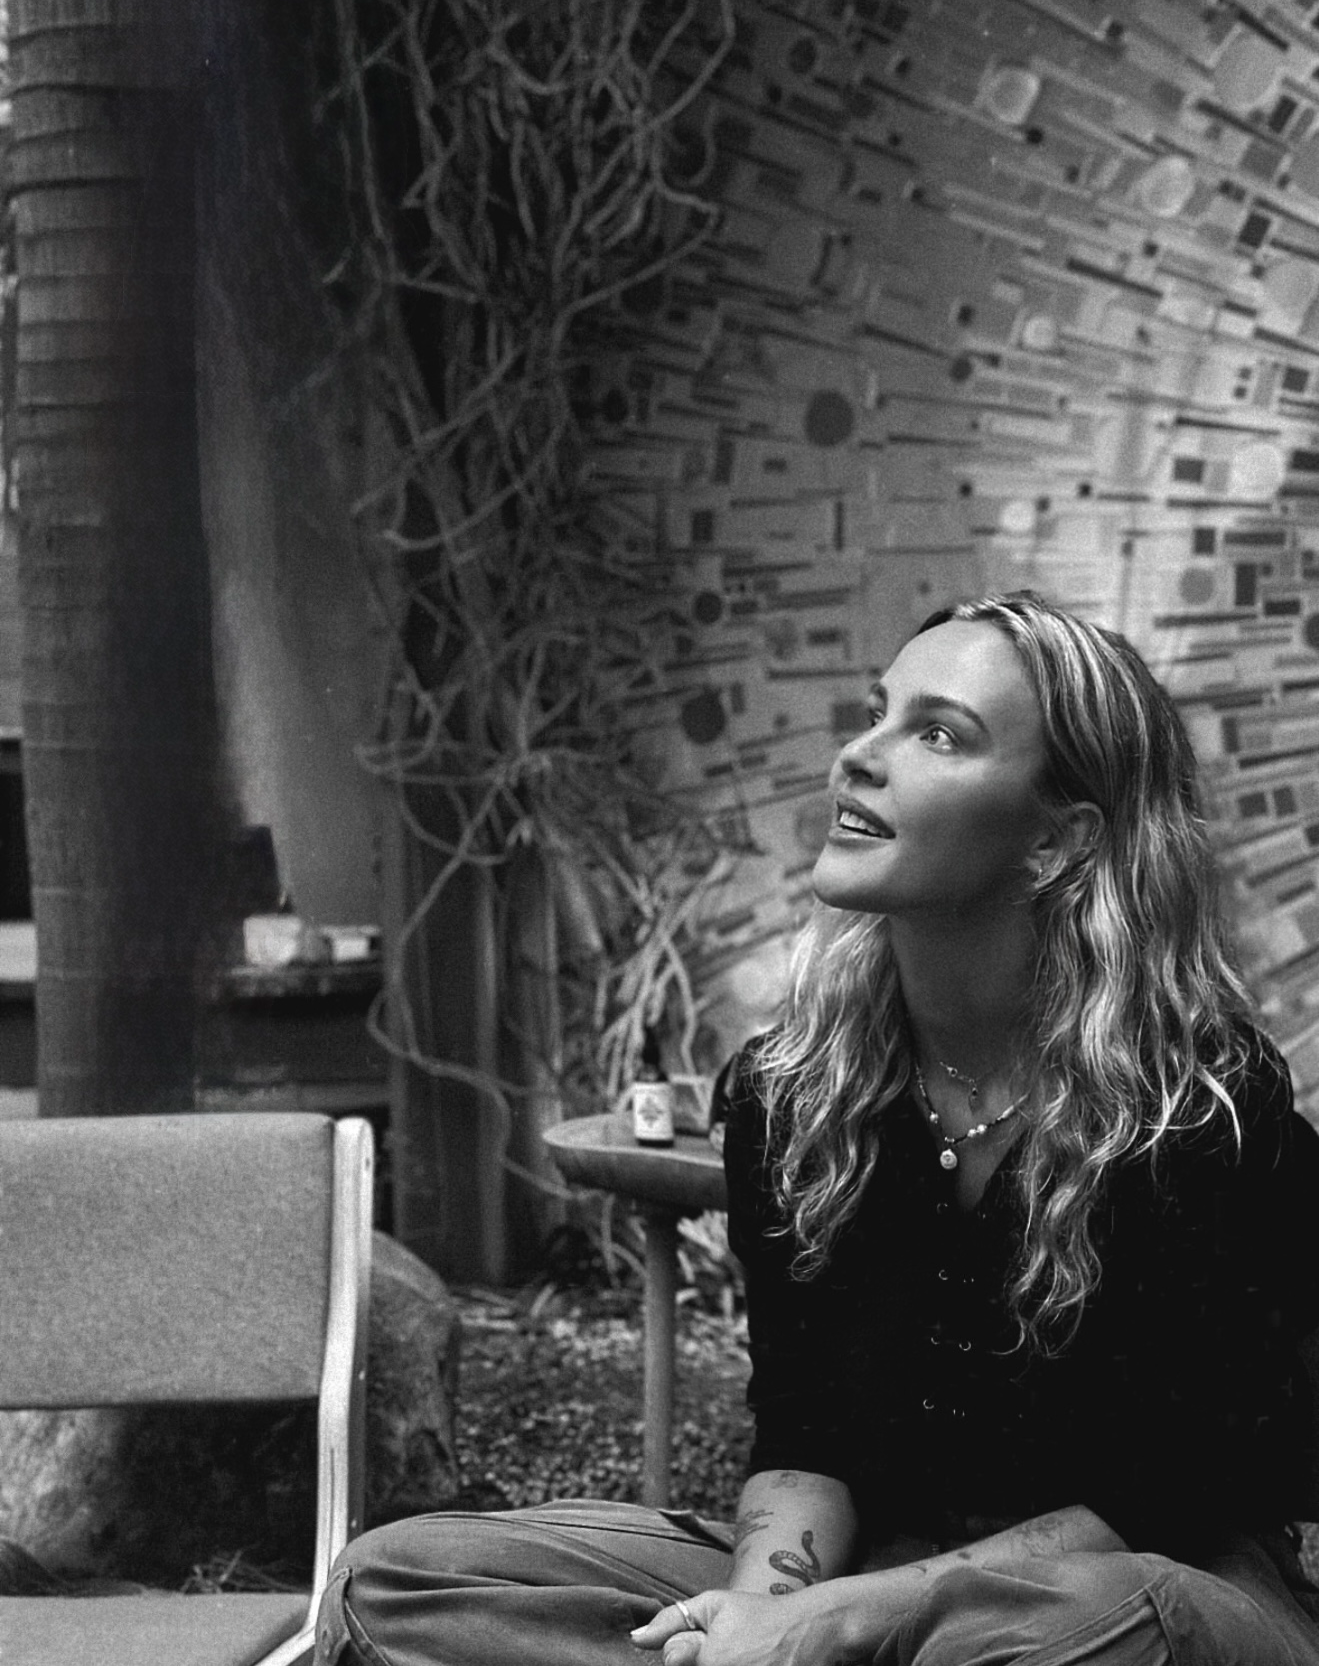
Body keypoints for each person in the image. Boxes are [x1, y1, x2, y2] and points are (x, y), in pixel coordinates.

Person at [313, 591, 1319, 1666]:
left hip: (1139, 1586)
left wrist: (837, 1621)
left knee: (1062, 1634)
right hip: (874, 1568)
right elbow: (808, 1439)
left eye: (938, 735)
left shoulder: (1197, 1105)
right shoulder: (791, 1090)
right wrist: (756, 1621)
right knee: (397, 1579)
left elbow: (1160, 1491)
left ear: (1054, 841)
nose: (857, 756)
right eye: (876, 714)